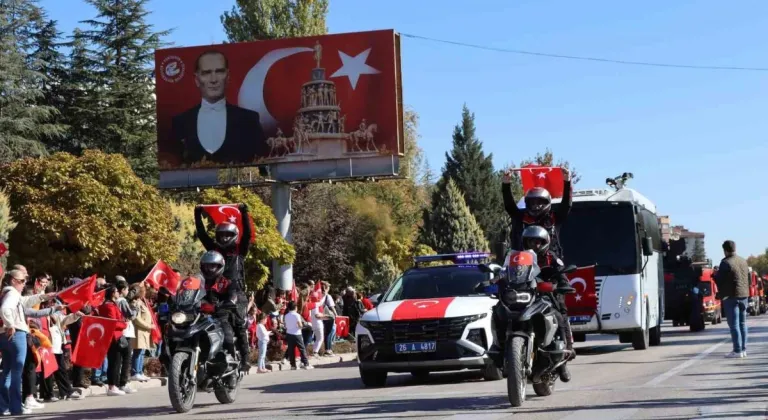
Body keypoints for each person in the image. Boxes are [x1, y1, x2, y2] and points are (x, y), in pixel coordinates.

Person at [491, 226, 576, 382]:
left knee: (559, 313)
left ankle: (565, 354)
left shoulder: (552, 258)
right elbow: (504, 271)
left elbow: (562, 274)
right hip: (524, 293)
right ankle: (499, 345)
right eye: (531, 241)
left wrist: (562, 284)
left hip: (547, 294)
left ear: (545, 243)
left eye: (538, 242)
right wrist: (494, 280)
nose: (534, 245)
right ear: (525, 242)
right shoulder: (517, 257)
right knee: (498, 309)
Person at [172, 50, 267, 164]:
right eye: (206, 73)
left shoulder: (249, 119)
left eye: (219, 71)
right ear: (197, 79)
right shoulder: (180, 122)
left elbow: (263, 163)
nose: (213, 80)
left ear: (228, 76)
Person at [195, 203, 252, 369]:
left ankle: (245, 358)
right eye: (221, 235)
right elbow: (201, 234)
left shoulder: (240, 251)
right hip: (214, 291)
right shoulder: (214, 249)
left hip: (236, 293)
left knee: (239, 324)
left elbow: (247, 234)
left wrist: (244, 212)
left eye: (228, 234)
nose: (225, 238)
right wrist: (198, 214)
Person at [0, 270, 56, 415]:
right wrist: (10, 324)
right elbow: (5, 309)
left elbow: (26, 301)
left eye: (25, 281)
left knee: (6, 372)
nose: (25, 284)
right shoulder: (12, 293)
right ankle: (15, 407)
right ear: (13, 280)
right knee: (16, 372)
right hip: (16, 334)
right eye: (22, 281)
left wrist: (43, 296)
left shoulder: (7, 293)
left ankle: (3, 406)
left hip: (4, 336)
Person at [502, 168, 572, 258]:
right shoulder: (521, 217)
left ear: (547, 202)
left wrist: (567, 181)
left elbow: (566, 205)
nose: (536, 206)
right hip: (522, 264)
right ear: (527, 203)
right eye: (532, 203)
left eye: (540, 202)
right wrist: (506, 184)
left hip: (550, 266)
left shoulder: (554, 217)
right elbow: (509, 206)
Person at [200, 251, 248, 371]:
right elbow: (189, 292)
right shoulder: (199, 281)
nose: (210, 269)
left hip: (222, 314)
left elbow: (233, 294)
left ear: (220, 266)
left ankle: (234, 361)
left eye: (213, 266)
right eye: (207, 265)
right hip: (202, 315)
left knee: (228, 334)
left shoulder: (227, 282)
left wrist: (230, 302)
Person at [714, 240, 750, 358]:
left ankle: (737, 350)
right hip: (744, 294)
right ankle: (743, 349)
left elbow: (720, 280)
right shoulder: (743, 261)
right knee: (743, 323)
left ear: (725, 250)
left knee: (734, 325)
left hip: (731, 296)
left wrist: (714, 275)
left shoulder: (725, 263)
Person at [98, 285, 132, 396]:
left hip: (117, 336)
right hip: (114, 336)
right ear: (112, 293)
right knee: (115, 362)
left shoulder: (111, 304)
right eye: (117, 291)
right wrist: (124, 324)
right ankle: (113, 386)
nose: (118, 293)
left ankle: (120, 383)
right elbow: (113, 322)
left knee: (122, 358)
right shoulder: (109, 306)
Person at [129, 283, 153, 382]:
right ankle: (135, 372)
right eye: (143, 291)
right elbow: (137, 319)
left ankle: (140, 371)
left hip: (144, 331)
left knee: (142, 353)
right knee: (137, 352)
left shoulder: (142, 302)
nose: (145, 292)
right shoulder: (135, 303)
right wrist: (148, 325)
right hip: (139, 331)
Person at [283, 301, 313, 370]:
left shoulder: (286, 315)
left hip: (289, 333)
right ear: (295, 307)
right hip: (297, 334)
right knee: (302, 349)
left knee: (291, 350)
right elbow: (300, 325)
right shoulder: (297, 315)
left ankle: (293, 365)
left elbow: (285, 325)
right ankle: (306, 364)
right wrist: (304, 325)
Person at [319, 282, 337, 356]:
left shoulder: (318, 295)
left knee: (324, 333)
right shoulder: (327, 296)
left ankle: (326, 349)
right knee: (329, 333)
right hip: (328, 316)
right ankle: (328, 350)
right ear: (326, 288)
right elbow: (332, 306)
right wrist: (336, 315)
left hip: (320, 316)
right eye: (328, 287)